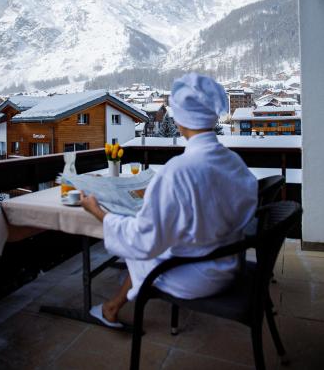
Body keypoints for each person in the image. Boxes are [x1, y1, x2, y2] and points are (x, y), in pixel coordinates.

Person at [80, 72, 258, 328]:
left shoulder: (179, 170)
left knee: (140, 250)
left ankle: (112, 307)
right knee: (154, 243)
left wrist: (98, 212)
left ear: (180, 121)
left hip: (197, 274)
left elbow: (142, 240)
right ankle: (112, 306)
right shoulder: (233, 162)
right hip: (229, 263)